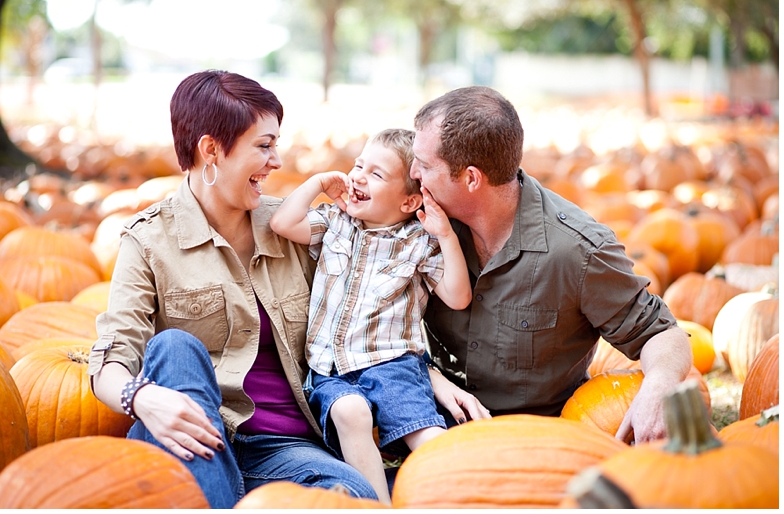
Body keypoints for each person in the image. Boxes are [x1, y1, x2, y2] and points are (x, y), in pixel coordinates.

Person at [86, 70, 379, 508]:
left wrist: (429, 374)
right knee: (174, 348)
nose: (276, 161)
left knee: (352, 493)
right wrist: (142, 398)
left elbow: (370, 306)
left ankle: (214, 498)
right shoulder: (148, 241)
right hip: (196, 434)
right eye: (263, 146)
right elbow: (111, 358)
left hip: (282, 451)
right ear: (211, 151)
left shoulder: (295, 229)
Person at [409, 86, 693, 444]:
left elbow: (662, 334)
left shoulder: (578, 251)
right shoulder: (420, 223)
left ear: (470, 178)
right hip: (429, 421)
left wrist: (658, 390)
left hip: (535, 442)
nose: (413, 172)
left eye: (424, 164)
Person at [269, 128, 474, 504]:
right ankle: (377, 505)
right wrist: (317, 182)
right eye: (359, 165)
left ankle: (467, 492)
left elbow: (458, 297)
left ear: (409, 202)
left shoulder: (418, 242)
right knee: (350, 412)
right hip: (331, 369)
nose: (359, 176)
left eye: (376, 174)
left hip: (394, 366)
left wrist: (445, 235)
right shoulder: (335, 223)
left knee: (428, 437)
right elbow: (282, 223)